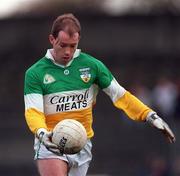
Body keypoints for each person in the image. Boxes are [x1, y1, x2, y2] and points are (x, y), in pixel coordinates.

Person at [24, 13, 176, 176]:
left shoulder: (92, 66)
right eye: (63, 45)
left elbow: (120, 95)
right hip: (51, 141)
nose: (68, 51)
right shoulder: (35, 73)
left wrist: (150, 115)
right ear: (52, 40)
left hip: (81, 142)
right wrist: (41, 133)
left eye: (73, 45)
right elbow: (33, 112)